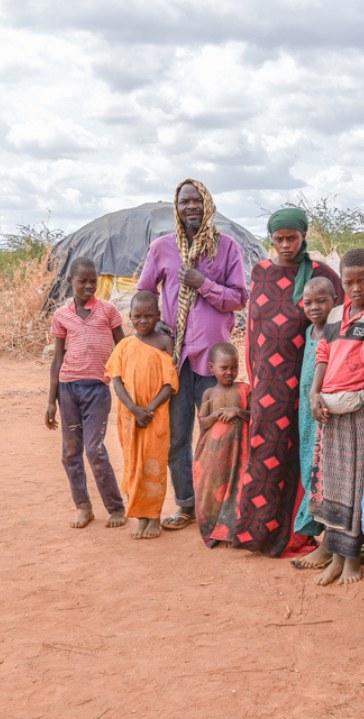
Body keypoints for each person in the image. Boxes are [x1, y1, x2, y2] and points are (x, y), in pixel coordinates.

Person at [230, 208, 342, 558]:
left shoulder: (322, 275)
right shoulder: (261, 273)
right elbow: (252, 329)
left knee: (303, 454)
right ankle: (254, 532)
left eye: (291, 238)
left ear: (304, 236)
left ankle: (295, 535)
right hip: (269, 384)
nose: (285, 245)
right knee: (265, 454)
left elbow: (336, 325)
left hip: (310, 378)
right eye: (278, 239)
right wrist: (254, 376)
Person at [138, 179, 247, 532]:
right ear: (177, 206)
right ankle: (186, 505)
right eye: (185, 201)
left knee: (217, 436)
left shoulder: (226, 247)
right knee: (178, 437)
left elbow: (238, 299)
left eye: (197, 200)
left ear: (208, 203)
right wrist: (156, 330)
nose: (191, 206)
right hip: (175, 359)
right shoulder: (161, 248)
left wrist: (203, 283)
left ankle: (216, 506)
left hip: (215, 362)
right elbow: (144, 293)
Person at [308, 248, 364, 584]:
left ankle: (351, 560)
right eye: (349, 282)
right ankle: (335, 555)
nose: (356, 288)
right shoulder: (334, 315)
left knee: (356, 482)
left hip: (361, 406)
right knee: (332, 482)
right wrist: (315, 393)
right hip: (331, 406)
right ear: (341, 282)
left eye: (363, 281)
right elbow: (323, 354)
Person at [46, 257, 127, 530]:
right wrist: (51, 401)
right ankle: (83, 507)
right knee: (71, 451)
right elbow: (57, 358)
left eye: (93, 281)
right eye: (83, 281)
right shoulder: (61, 315)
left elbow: (123, 347)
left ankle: (115, 508)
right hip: (68, 389)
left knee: (94, 449)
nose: (89, 286)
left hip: (97, 389)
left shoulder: (108, 311)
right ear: (70, 282)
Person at [105, 291, 179, 540]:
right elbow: (116, 381)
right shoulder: (124, 345)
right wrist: (135, 410)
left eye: (149, 315)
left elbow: (170, 383)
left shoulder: (165, 343)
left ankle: (154, 518)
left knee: (154, 466)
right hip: (129, 418)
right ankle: (140, 518)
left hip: (156, 417)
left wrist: (149, 409)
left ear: (158, 316)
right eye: (137, 316)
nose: (143, 321)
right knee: (133, 466)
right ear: (130, 317)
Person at [291, 277, 339, 570]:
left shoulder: (336, 332)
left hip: (326, 414)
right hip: (306, 418)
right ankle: (323, 540)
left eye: (321, 301)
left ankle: (329, 545)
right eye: (308, 302)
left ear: (335, 299)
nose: (314, 307)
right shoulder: (309, 331)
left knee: (327, 476)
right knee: (311, 471)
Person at [192, 342, 251, 547]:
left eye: (234, 367)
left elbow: (254, 416)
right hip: (214, 452)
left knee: (236, 487)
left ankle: (231, 532)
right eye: (223, 368)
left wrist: (238, 411)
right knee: (213, 489)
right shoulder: (209, 394)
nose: (229, 372)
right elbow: (203, 423)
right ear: (211, 368)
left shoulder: (243, 389)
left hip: (238, 452)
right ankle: (214, 532)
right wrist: (216, 414)